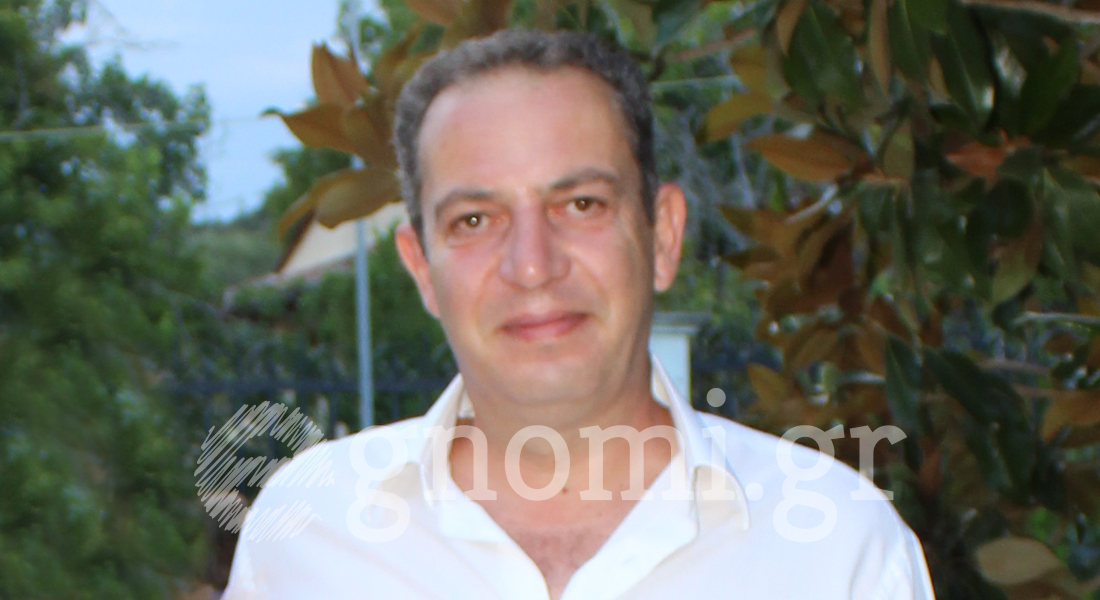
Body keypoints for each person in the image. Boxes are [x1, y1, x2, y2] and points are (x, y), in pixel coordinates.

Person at [222, 29, 935, 600]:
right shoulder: (307, 537)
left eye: (581, 204)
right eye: (475, 219)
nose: (532, 264)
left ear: (662, 237)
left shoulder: (838, 551)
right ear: (421, 268)